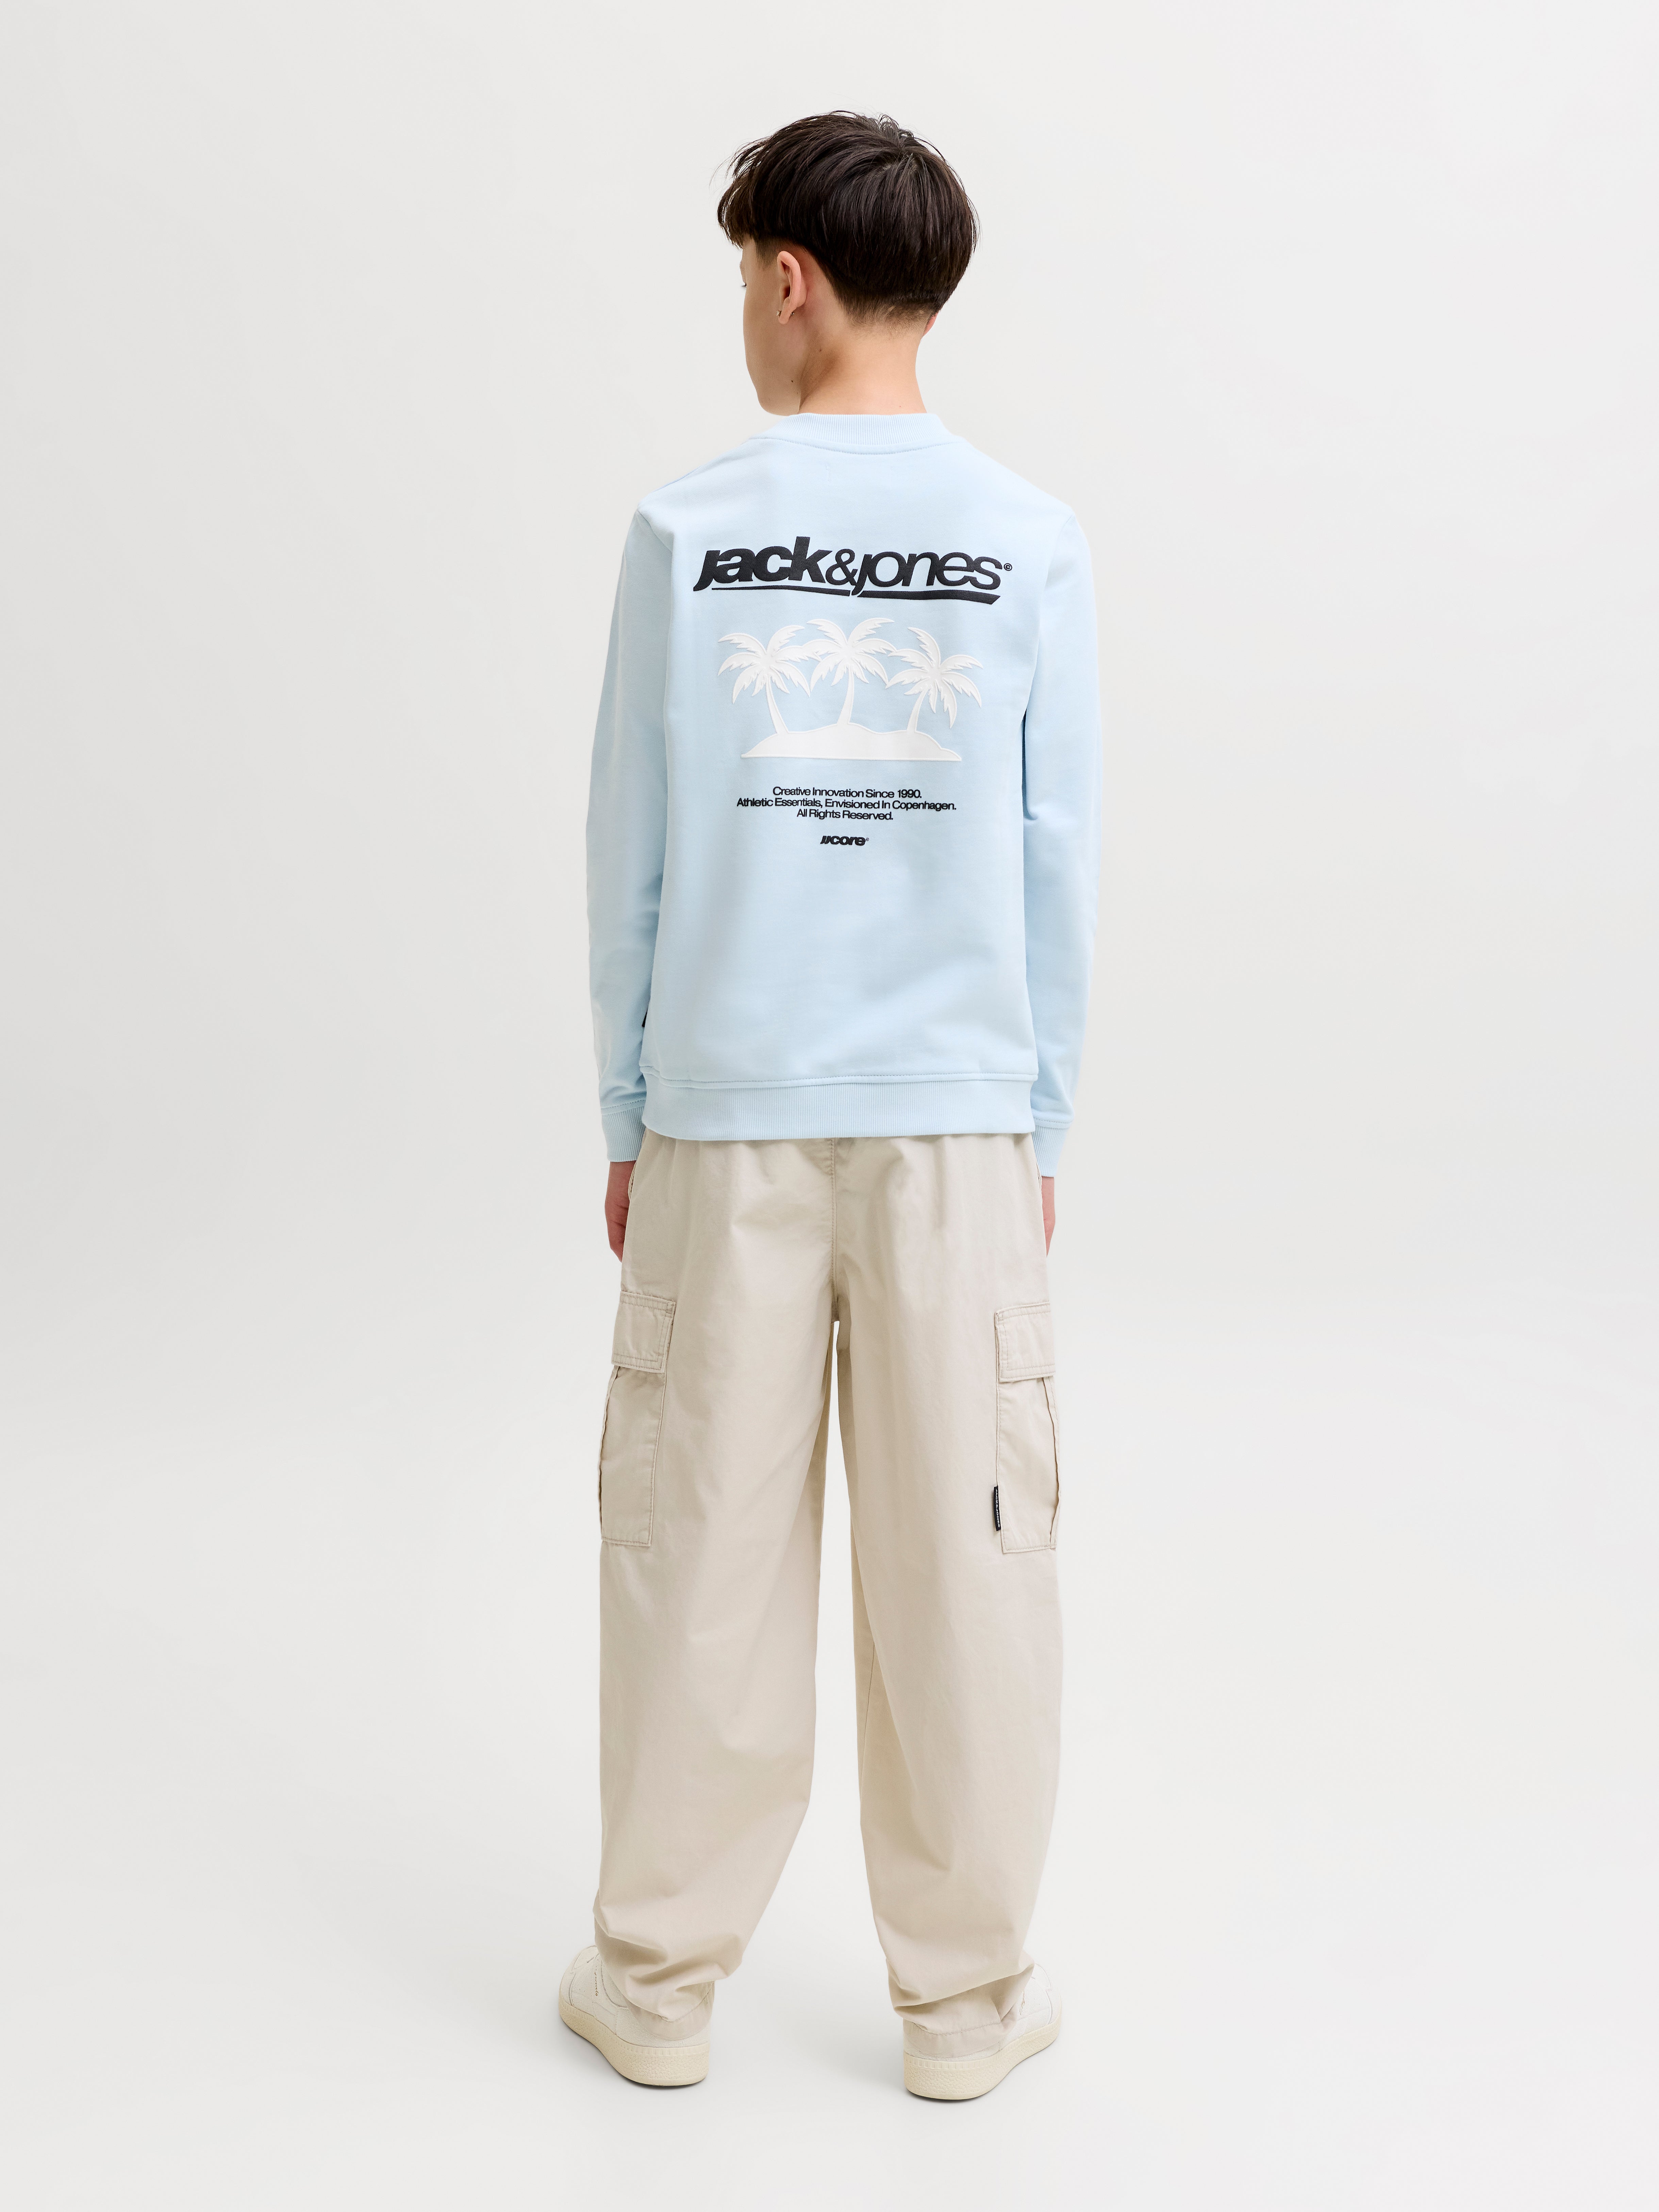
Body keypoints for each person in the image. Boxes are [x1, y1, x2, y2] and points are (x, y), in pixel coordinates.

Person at [562, 111, 1100, 2101]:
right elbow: (1057, 860)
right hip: (957, 1122)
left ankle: (656, 1985)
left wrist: (631, 1109)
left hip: (728, 1111)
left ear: (790, 280)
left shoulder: (686, 531)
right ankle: (965, 2006)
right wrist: (1039, 1127)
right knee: (971, 1556)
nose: (746, 312)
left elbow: (629, 847)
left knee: (699, 1545)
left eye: (745, 280)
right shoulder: (1029, 538)